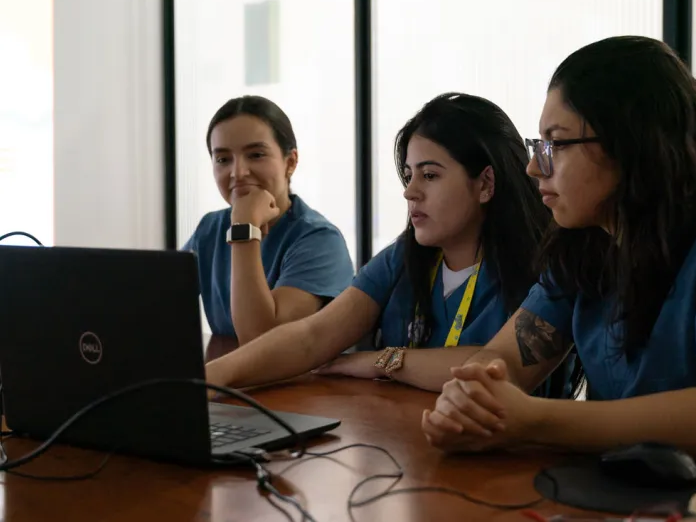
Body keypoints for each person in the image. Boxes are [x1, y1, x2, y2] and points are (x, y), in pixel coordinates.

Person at [421, 36, 696, 464]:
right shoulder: (587, 244)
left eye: (556, 144)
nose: (533, 167)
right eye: (537, 145)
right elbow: (505, 360)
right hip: (629, 494)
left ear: (631, 144)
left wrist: (533, 419)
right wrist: (472, 397)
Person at [205, 92, 569, 394]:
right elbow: (312, 336)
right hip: (405, 445)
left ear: (485, 184)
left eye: (430, 175)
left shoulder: (545, 266)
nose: (410, 192)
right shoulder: (403, 256)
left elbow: (491, 367)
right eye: (409, 176)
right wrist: (207, 381)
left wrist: (382, 361)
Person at [183, 95, 354, 344]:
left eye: (256, 155)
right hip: (230, 377)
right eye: (222, 159)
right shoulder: (210, 228)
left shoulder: (320, 240)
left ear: (290, 162)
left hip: (302, 383)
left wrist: (244, 228)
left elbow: (260, 340)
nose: (238, 172)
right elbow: (154, 306)